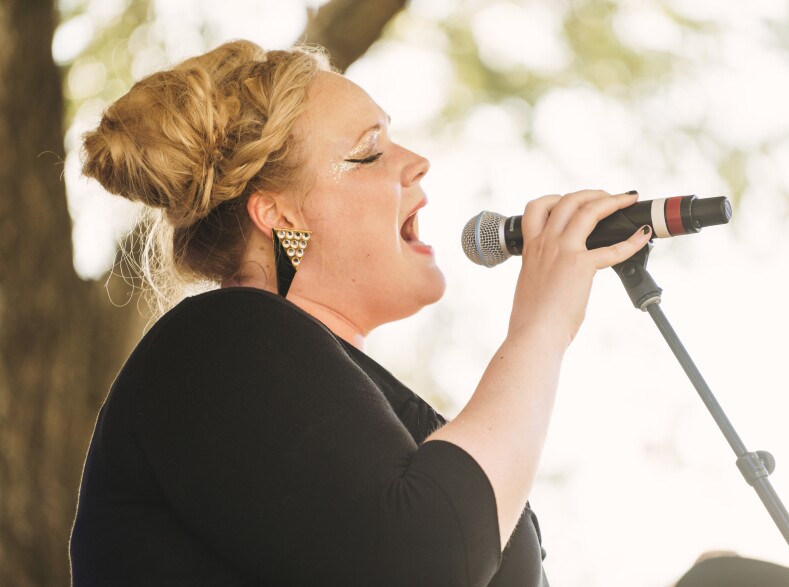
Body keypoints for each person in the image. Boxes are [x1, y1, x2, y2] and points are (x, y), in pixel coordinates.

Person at [69, 40, 652, 586]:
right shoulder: (219, 341)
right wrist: (541, 326)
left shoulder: (355, 405)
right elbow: (426, 556)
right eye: (369, 151)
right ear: (279, 216)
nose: (418, 161)